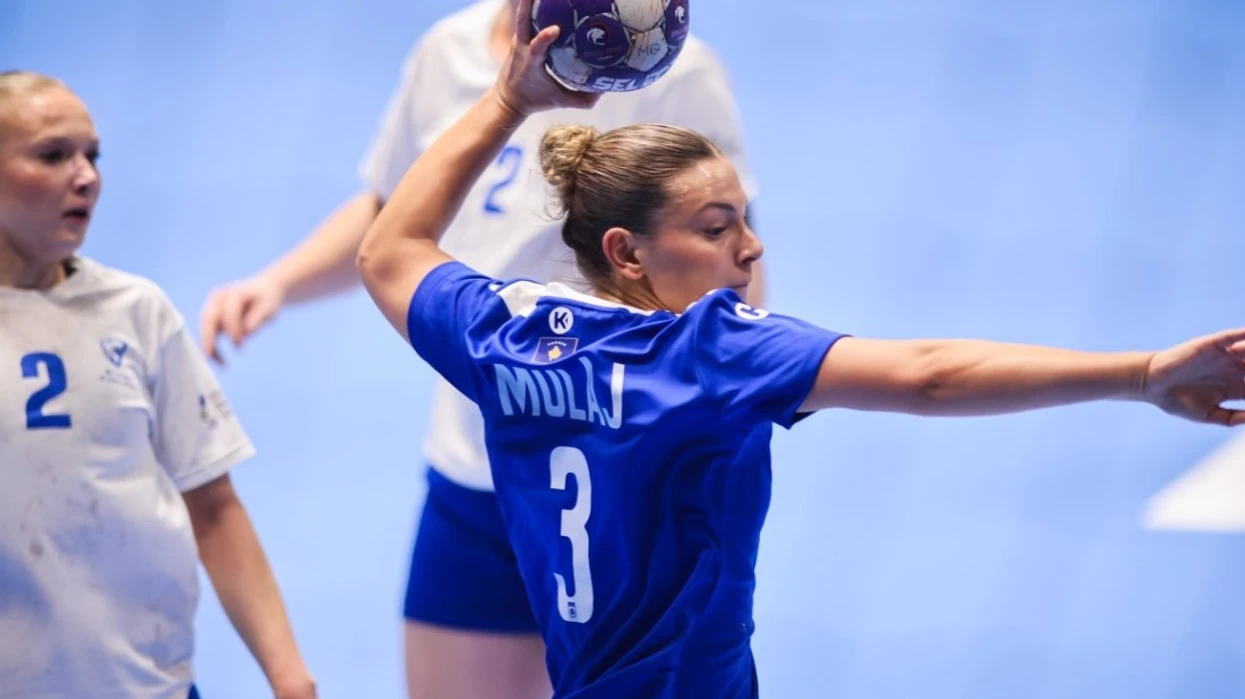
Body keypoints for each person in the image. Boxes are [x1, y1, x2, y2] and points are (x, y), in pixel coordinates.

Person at [354, 3, 1245, 696]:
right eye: (717, 227)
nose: (751, 249)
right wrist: (1142, 374)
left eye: (745, 219)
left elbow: (389, 249)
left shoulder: (508, 337)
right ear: (626, 252)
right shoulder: (714, 356)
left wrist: (508, 101)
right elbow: (929, 376)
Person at [197, 2, 757, 696]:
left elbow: (729, 249)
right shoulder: (449, 50)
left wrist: (734, 389)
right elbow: (390, 212)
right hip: (478, 469)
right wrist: (278, 282)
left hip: (620, 475)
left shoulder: (669, 65)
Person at [0, 71, 316, 699]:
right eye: (53, 155)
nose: (86, 177)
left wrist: (290, 678)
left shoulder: (136, 312)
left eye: (92, 155)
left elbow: (215, 508)